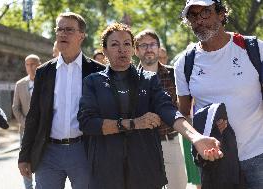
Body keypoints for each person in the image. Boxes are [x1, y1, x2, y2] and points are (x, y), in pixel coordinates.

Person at [78, 22, 223, 189]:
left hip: (144, 168)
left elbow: (168, 109)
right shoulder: (92, 82)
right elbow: (87, 123)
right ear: (104, 51)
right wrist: (133, 123)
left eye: (127, 44)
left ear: (133, 49)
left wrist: (196, 137)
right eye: (114, 44)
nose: (122, 49)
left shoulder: (148, 79)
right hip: (106, 169)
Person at [175, 0, 263, 188]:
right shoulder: (184, 63)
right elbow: (184, 113)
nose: (199, 20)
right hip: (216, 161)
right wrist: (205, 131)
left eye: (205, 12)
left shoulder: (254, 48)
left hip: (258, 155)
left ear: (221, 14)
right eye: (193, 15)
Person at [18, 12, 105, 189]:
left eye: (69, 30)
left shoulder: (97, 71)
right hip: (48, 152)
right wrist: (24, 155)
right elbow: (34, 115)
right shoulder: (44, 72)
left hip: (84, 150)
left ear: (82, 36)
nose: (62, 33)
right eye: (59, 29)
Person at [134, 29, 187, 189]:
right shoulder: (130, 78)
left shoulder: (173, 74)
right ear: (136, 51)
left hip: (171, 141)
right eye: (143, 45)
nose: (149, 49)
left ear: (158, 47)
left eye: (152, 44)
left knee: (178, 185)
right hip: (143, 145)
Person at [12, 54, 41, 189]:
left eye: (34, 63)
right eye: (28, 64)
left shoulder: (45, 82)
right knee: (25, 161)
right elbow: (15, 108)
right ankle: (28, 187)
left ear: (39, 64)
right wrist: (27, 124)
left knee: (42, 159)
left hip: (43, 130)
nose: (31, 67)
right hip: (25, 130)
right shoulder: (20, 84)